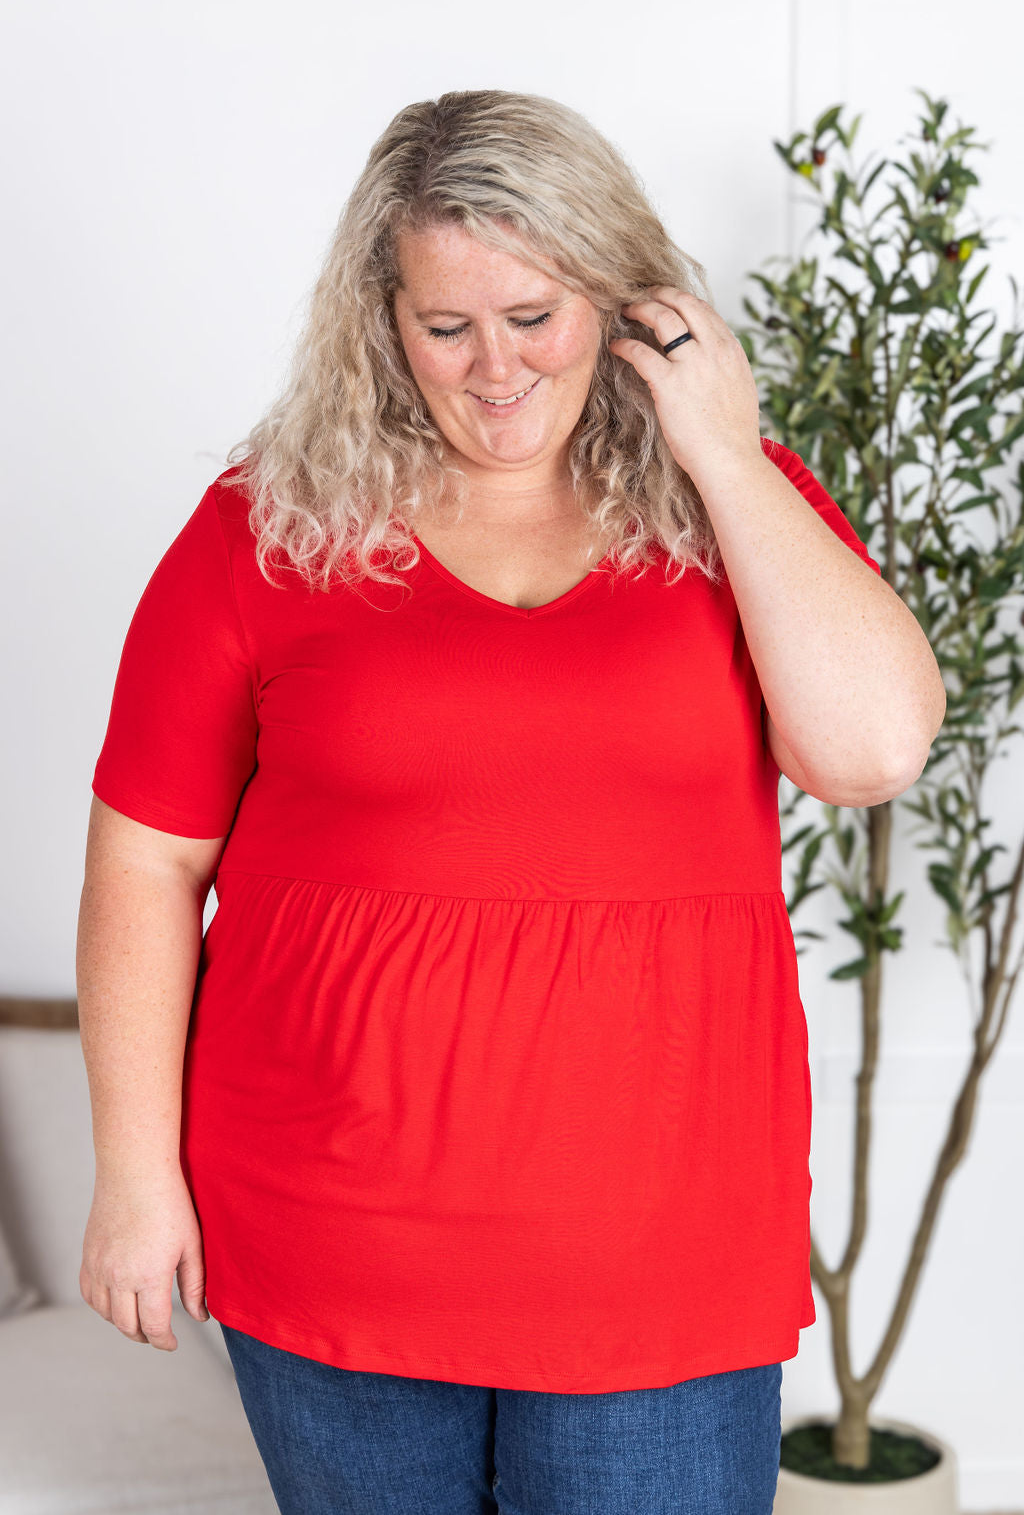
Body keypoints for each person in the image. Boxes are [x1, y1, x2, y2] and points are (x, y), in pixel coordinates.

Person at [77, 88, 945, 1514]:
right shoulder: (266, 526)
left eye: (534, 315)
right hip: (330, 1237)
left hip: (661, 1259)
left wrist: (726, 454)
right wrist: (131, 1174)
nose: (496, 367)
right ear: (383, 323)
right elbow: (146, 861)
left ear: (620, 300)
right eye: (446, 326)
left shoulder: (734, 511)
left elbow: (873, 754)